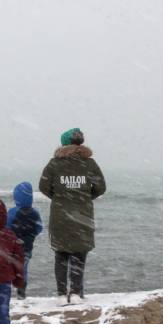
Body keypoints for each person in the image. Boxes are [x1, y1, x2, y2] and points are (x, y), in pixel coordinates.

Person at [38, 128, 106, 306]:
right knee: (79, 254)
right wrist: (84, 198)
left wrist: (59, 197)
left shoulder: (54, 163)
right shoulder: (89, 163)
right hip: (83, 216)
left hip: (60, 216)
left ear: (64, 144)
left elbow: (43, 187)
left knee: (61, 255)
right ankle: (76, 293)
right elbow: (101, 188)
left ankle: (61, 295)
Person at [6, 182, 43, 299]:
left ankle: (6, 291)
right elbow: (39, 228)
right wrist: (30, 236)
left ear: (16, 197)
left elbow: (6, 228)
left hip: (12, 248)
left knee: (9, 268)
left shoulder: (12, 212)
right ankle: (21, 292)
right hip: (27, 247)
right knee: (23, 269)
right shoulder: (35, 213)